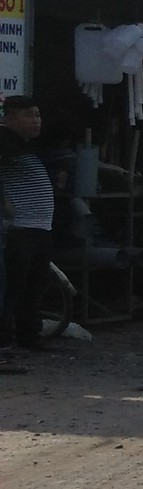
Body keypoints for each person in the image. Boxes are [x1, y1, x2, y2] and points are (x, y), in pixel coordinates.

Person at [1, 97, 55, 352]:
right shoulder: (4, 142)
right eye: (28, 115)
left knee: (34, 285)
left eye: (38, 115)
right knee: (15, 286)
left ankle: (28, 336)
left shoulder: (25, 146)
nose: (36, 121)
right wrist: (3, 203)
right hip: (19, 229)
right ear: (9, 118)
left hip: (39, 227)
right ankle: (7, 338)